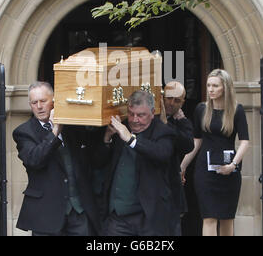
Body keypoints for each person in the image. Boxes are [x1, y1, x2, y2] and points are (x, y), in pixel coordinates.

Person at [12, 81, 100, 236]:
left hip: (78, 212)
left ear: (54, 101)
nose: (39, 107)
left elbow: (93, 155)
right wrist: (55, 131)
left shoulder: (72, 126)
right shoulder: (23, 132)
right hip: (46, 215)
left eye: (43, 101)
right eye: (34, 102)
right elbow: (34, 160)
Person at [181, 69, 250, 236]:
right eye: (209, 85)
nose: (210, 89)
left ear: (225, 88)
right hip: (205, 172)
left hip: (229, 171)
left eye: (215, 86)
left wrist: (233, 165)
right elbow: (196, 141)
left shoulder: (236, 110)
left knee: (227, 218)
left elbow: (245, 142)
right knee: (209, 217)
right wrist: (182, 166)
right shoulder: (201, 109)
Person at [99, 90, 175, 236]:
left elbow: (162, 154)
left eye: (141, 115)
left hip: (148, 218)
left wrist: (131, 140)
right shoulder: (121, 128)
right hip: (118, 218)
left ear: (153, 113)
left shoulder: (162, 132)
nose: (134, 120)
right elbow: (98, 162)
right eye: (131, 113)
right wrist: (107, 138)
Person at [160, 81, 194, 235]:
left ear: (183, 103)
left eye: (177, 100)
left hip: (171, 188)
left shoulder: (182, 122)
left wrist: (167, 124)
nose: (171, 103)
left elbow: (188, 145)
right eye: (169, 98)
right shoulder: (148, 116)